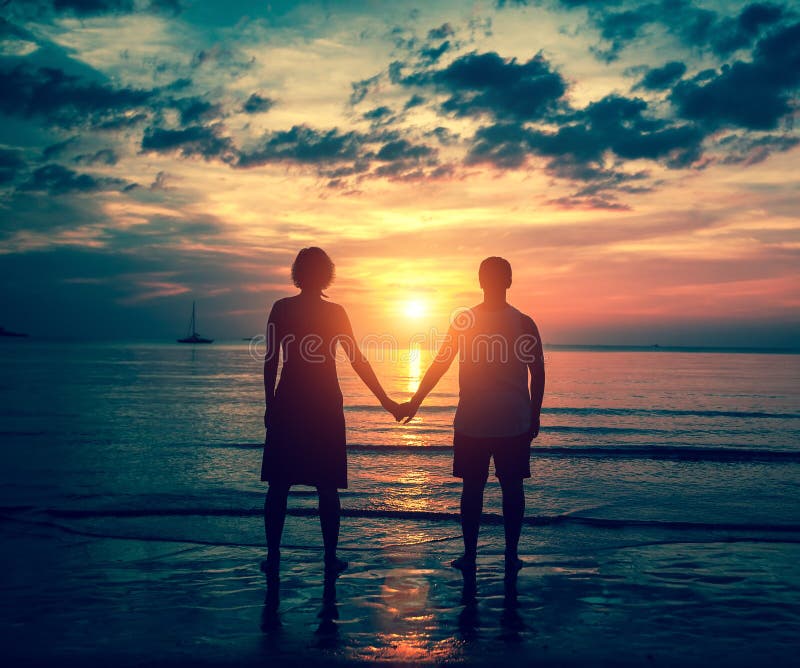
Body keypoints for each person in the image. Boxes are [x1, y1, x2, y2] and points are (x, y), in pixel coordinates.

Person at [397, 257, 545, 572]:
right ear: (508, 280)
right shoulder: (521, 322)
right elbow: (538, 372)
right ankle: (509, 555)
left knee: (477, 488)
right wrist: (535, 414)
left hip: (482, 420)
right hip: (504, 419)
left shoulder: (473, 321)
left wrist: (415, 402)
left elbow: (440, 363)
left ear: (483, 281)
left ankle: (473, 555)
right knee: (509, 487)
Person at [262, 247, 401, 580]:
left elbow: (271, 361)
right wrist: (387, 401)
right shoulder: (333, 312)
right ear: (326, 274)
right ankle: (328, 558)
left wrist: (269, 404)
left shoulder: (282, 308)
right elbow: (357, 360)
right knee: (325, 486)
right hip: (322, 402)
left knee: (280, 485)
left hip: (291, 401)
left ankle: (274, 556)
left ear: (298, 273)